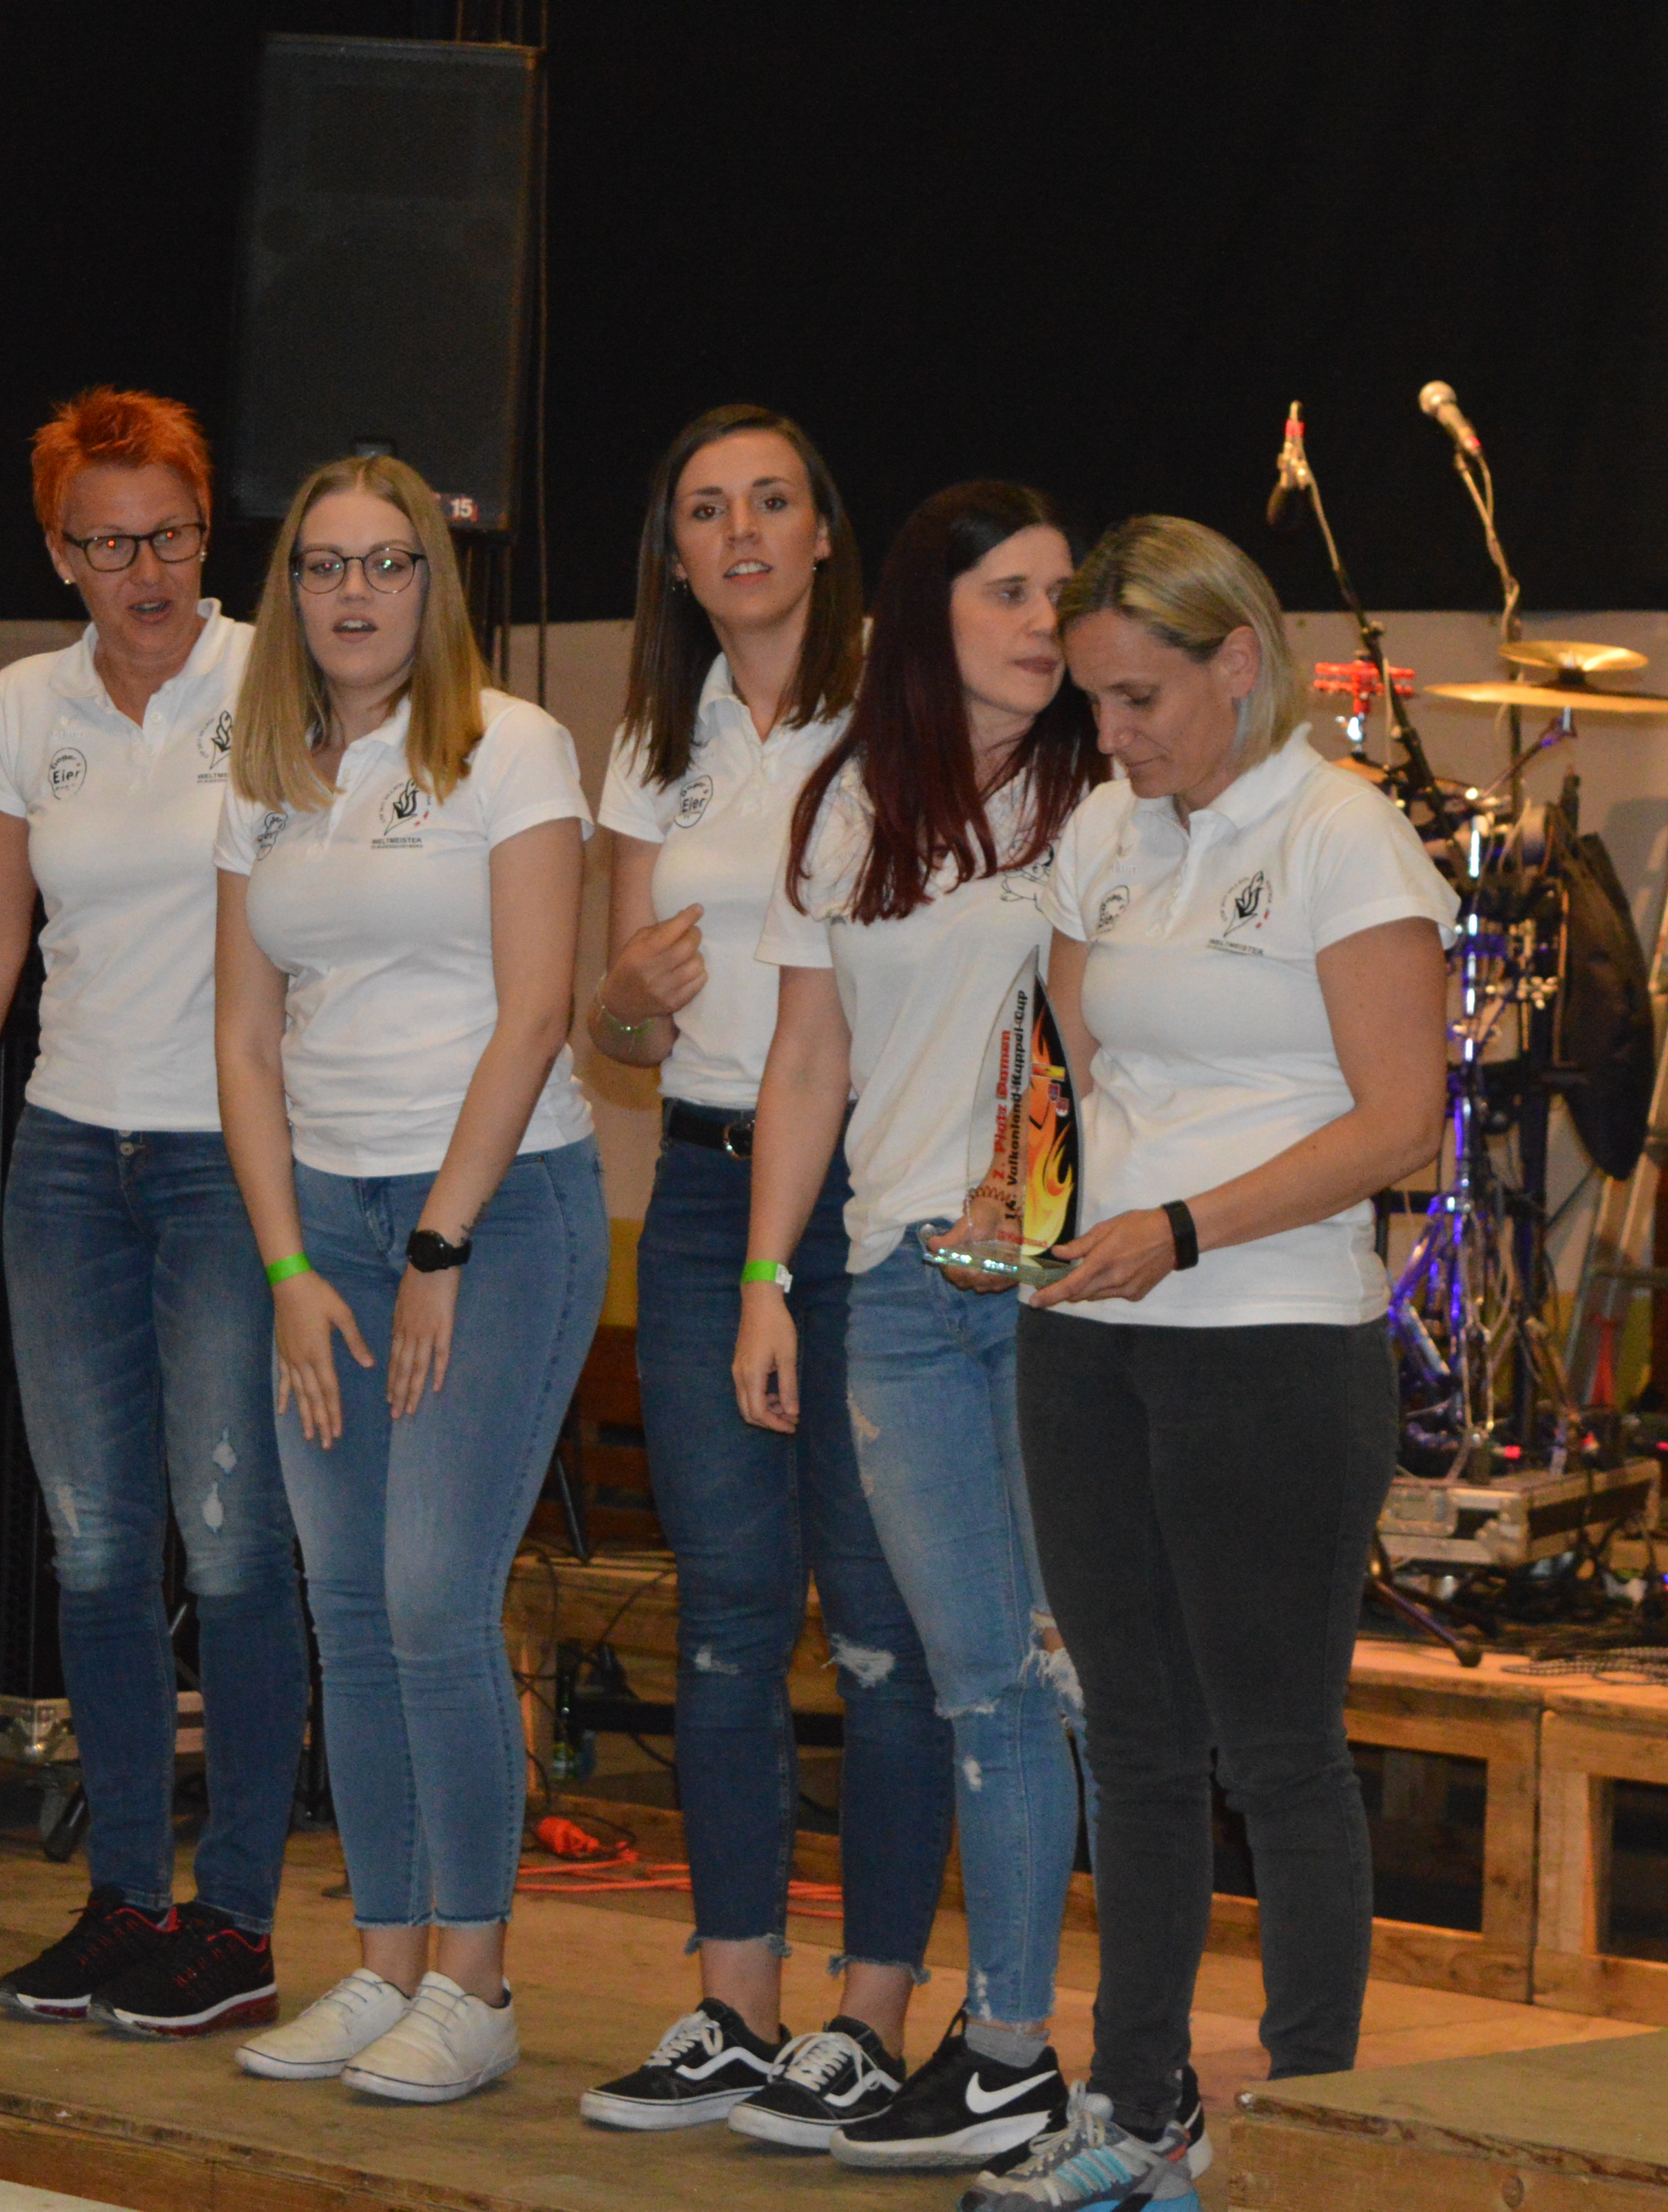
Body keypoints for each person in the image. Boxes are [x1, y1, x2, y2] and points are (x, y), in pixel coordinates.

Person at [959, 518, 1451, 2212]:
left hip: (1272, 1341)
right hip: (1089, 1337)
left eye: (1141, 698)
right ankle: (1133, 2108)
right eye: (1093, 702)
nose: (1114, 734)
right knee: (1137, 1744)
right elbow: (1067, 1075)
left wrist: (1182, 1229)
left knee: (1278, 1751)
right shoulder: (1106, 827)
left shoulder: (1342, 835)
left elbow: (1402, 1124)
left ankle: (1308, 2130)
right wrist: (1014, 1206)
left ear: (1238, 663)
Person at [0, 388, 306, 2041]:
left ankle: (238, 1917)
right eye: (110, 544)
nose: (147, 573)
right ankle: (127, 1897)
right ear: (58, 553)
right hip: (67, 1157)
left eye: (172, 535)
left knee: (234, 1540)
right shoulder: (24, 705)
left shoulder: (274, 678)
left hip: (226, 1158)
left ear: (208, 532)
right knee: (101, 1545)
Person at [568, 407, 956, 2145]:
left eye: (771, 503)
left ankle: (869, 2019)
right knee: (727, 1619)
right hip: (706, 1189)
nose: (739, 534)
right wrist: (619, 1005)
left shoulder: (900, 711)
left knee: (877, 1626)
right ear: (674, 556)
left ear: (822, 533)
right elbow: (619, 1031)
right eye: (707, 510)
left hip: (873, 1190)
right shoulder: (657, 738)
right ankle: (734, 2008)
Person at [211, 451, 608, 2106]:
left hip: (496, 1215)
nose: (354, 594)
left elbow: (537, 1012)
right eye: (323, 566)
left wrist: (439, 1240)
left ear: (433, 589)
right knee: (350, 1605)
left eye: (386, 564)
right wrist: (288, 1267)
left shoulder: (513, 748)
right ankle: (383, 1964)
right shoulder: (263, 776)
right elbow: (242, 1041)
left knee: (439, 1596)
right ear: (290, 591)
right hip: (324, 1226)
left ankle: (474, 1981)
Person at [731, 481, 1105, 2175]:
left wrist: (1042, 1204)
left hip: (1058, 1284)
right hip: (891, 1283)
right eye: (1008, 592)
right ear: (925, 614)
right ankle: (1010, 2056)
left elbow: (1113, 1040)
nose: (1043, 623)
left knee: (1066, 1670)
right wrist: (766, 1278)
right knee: (982, 1684)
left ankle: (1089, 2050)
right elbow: (808, 1059)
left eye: (1060, 595)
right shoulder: (847, 800)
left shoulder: (1106, 791)